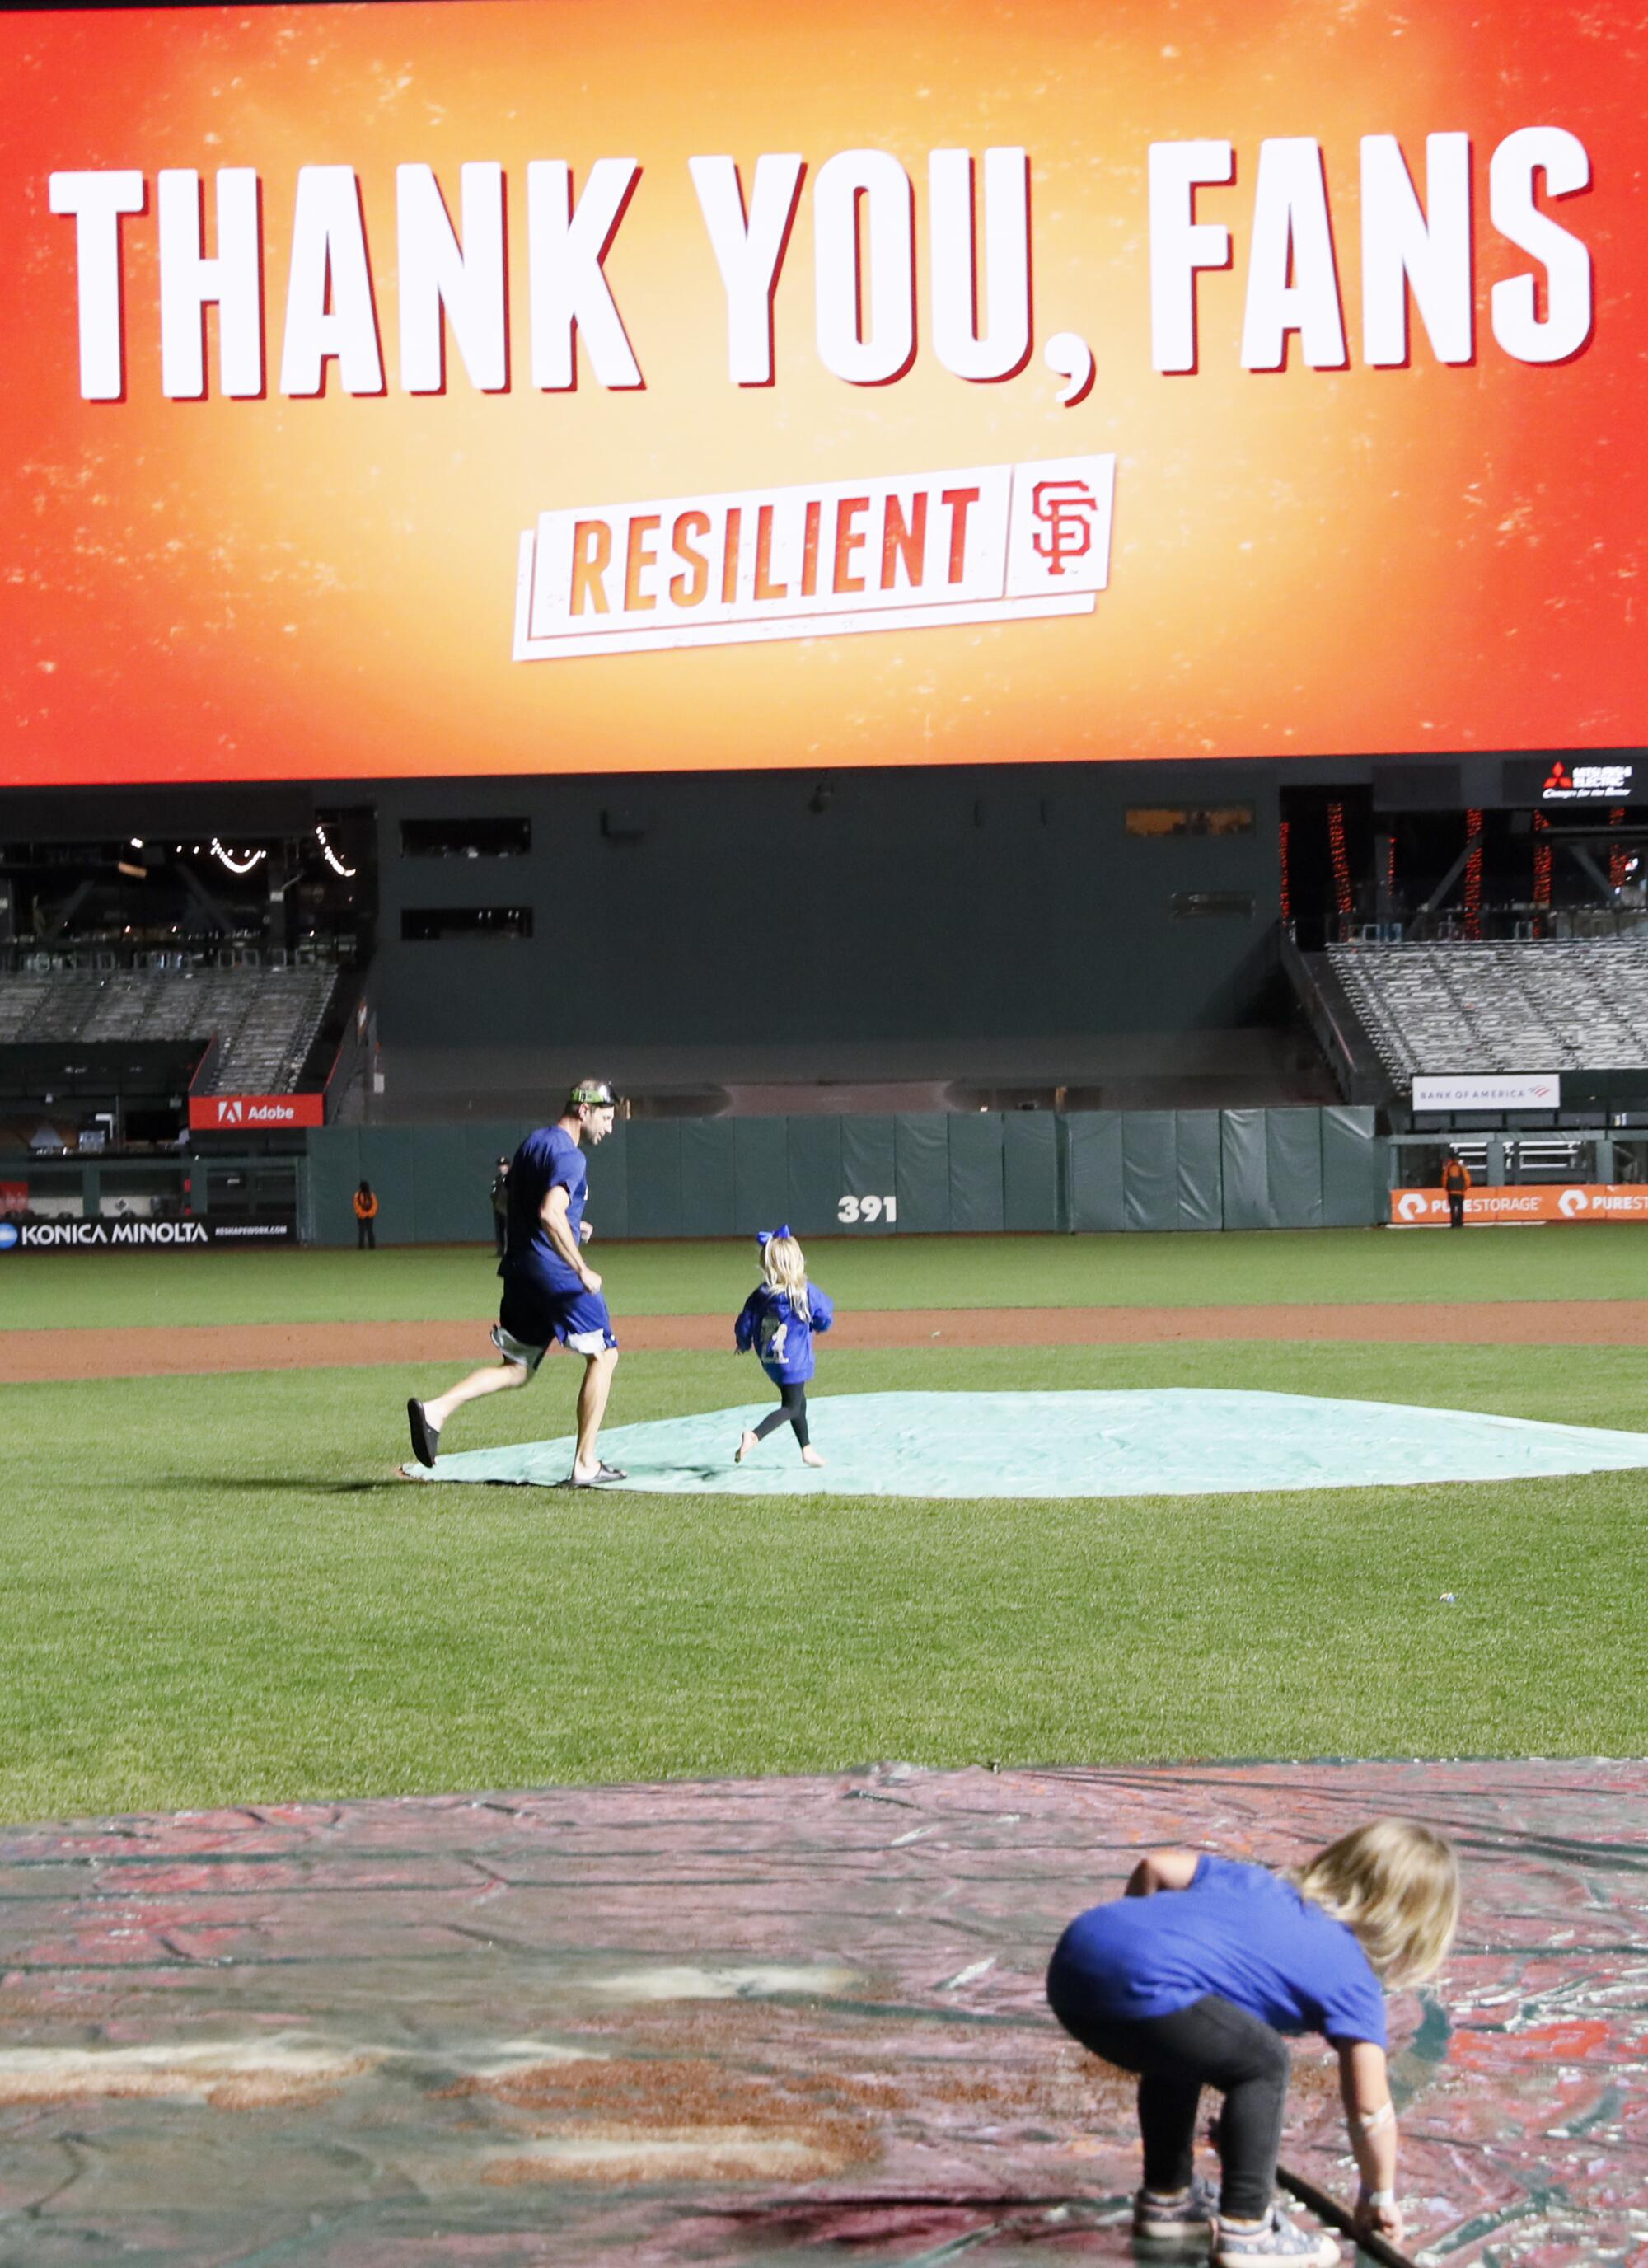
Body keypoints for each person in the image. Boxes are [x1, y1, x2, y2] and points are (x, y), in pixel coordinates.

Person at [1046, 1818, 1459, 2265]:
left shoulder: (1254, 1882)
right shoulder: (1353, 1980)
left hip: (1076, 1958)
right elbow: (1370, 2111)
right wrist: (1379, 2196)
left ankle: (1169, 2196)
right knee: (1264, 2061)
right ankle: (1247, 2229)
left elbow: (1156, 1865)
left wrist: (1133, 1945)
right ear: (1417, 1926)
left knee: (1183, 2040)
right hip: (1137, 1986)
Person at [407, 1080, 625, 1485]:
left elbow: (504, 1201)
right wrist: (581, 1268)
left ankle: (435, 1411)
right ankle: (585, 1464)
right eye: (607, 1117)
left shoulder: (533, 1144)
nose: (610, 1128)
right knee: (605, 1355)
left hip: (521, 1271)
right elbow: (549, 1212)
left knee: (518, 1368)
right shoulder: (570, 1156)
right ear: (584, 1110)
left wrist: (573, 1224)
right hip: (555, 1275)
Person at [733, 1227, 833, 1467]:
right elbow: (824, 1316)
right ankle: (755, 1435)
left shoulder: (759, 1296)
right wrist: (821, 1326)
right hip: (795, 1361)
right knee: (791, 1406)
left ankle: (806, 1449)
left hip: (771, 1361)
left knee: (797, 1400)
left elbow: (744, 1325)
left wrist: (743, 1343)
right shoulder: (804, 1292)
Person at [1440, 1147, 1471, 1230]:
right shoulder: (1462, 1168)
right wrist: (1464, 1188)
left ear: (1451, 1159)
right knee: (1460, 1207)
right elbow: (1467, 1179)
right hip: (1460, 1192)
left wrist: (1447, 1188)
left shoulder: (1448, 1168)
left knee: (1453, 1208)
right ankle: (1460, 1224)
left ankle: (1453, 1224)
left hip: (1451, 1192)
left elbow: (1444, 1179)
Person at [489, 1154, 510, 1258]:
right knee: (500, 1229)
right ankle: (501, 1250)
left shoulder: (512, 1178)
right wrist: (495, 1203)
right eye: (501, 1166)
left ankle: (509, 1251)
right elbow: (493, 1193)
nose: (503, 1168)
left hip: (508, 1208)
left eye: (505, 1165)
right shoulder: (497, 1179)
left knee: (509, 1230)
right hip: (498, 1208)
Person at [353, 1179, 378, 1249]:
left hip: (365, 1216)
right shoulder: (360, 1195)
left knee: (366, 1231)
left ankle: (369, 1246)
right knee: (365, 1231)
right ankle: (365, 1246)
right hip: (365, 1216)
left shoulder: (368, 1195)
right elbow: (357, 1206)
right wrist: (369, 1214)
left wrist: (366, 1214)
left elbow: (374, 1205)